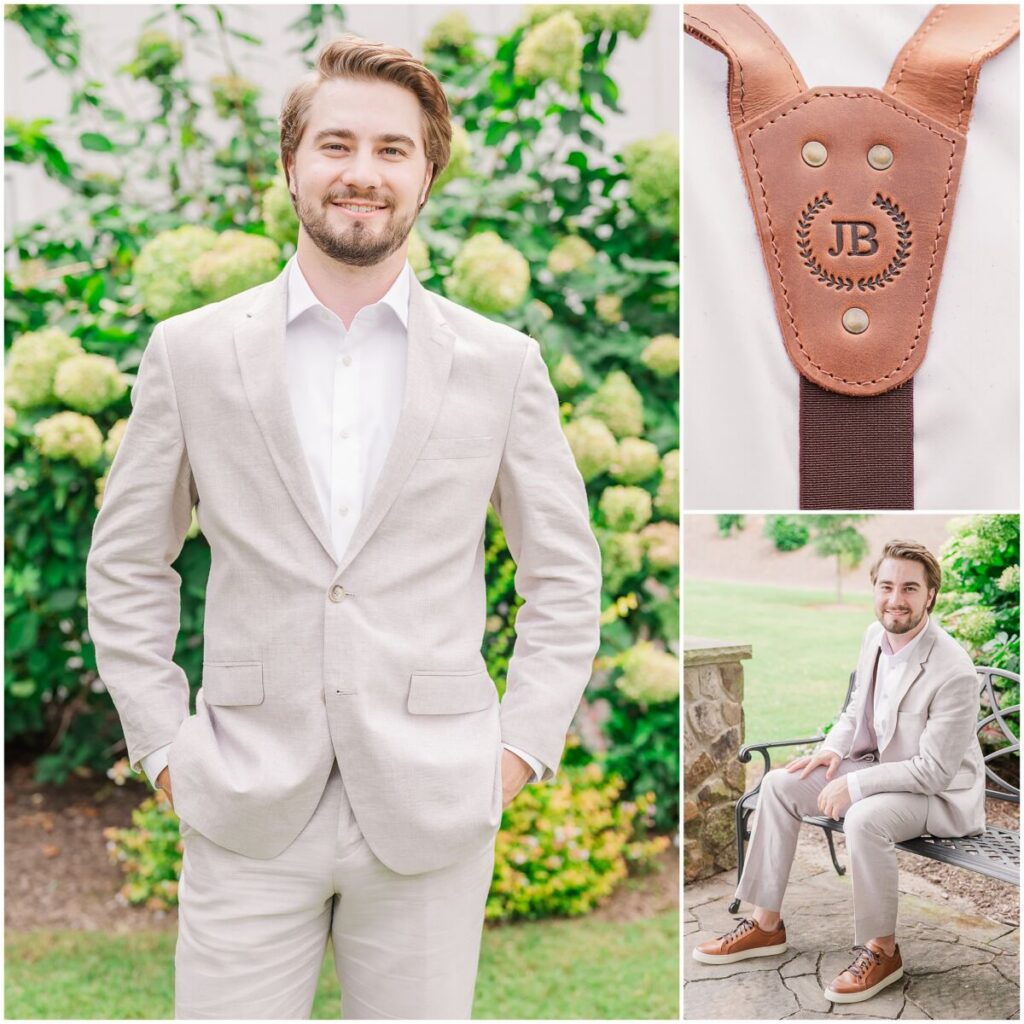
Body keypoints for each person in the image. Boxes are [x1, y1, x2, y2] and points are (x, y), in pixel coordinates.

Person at [85, 35, 602, 1020]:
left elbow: (566, 575)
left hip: (432, 804)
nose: (362, 171)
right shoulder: (191, 354)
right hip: (243, 802)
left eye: (392, 149)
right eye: (336, 144)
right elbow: (126, 563)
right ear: (291, 164)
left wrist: (516, 753)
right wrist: (163, 748)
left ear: (426, 174)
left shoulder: (501, 364)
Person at [692, 540, 986, 1004]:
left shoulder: (953, 670)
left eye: (910, 588)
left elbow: (932, 772)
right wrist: (831, 750)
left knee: (864, 818)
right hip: (880, 770)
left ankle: (881, 951)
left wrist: (855, 784)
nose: (895, 599)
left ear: (930, 594)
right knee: (779, 784)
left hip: (939, 796)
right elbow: (853, 711)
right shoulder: (874, 637)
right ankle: (765, 925)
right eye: (886, 586)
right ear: (874, 588)